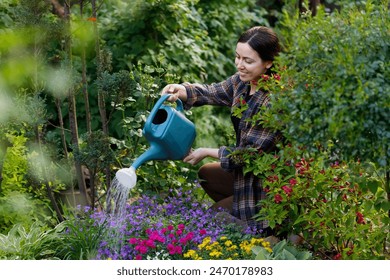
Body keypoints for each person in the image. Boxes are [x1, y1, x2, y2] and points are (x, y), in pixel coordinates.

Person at [161, 26, 283, 233]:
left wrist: (207, 151)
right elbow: (212, 92)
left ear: (268, 63)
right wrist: (181, 90)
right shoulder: (242, 83)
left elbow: (249, 156)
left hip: (267, 184)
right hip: (247, 175)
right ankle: (241, 208)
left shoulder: (274, 100)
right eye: (238, 57)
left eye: (248, 61)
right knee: (207, 173)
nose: (240, 65)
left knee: (214, 219)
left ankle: (265, 230)